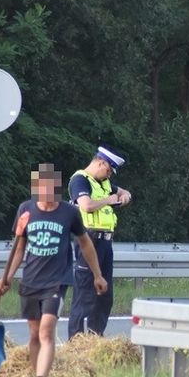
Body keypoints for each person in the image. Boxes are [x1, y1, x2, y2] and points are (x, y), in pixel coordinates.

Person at [0, 164, 107, 377]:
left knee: (47, 330)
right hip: (30, 281)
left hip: (56, 282)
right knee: (34, 333)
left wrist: (97, 274)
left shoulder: (69, 212)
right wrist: (6, 277)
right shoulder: (25, 211)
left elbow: (85, 243)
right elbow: (18, 248)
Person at [67, 145, 131, 339]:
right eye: (109, 170)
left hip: (105, 242)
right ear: (100, 162)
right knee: (85, 293)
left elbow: (123, 191)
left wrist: (125, 196)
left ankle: (95, 337)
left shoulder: (103, 183)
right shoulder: (80, 180)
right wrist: (109, 200)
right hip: (89, 240)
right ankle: (76, 340)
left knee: (104, 295)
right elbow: (86, 205)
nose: (109, 175)